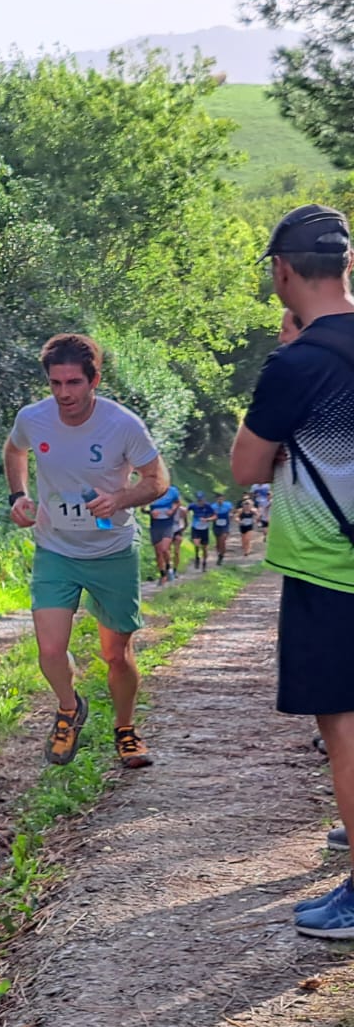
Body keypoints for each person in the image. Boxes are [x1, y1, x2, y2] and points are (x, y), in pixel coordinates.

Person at [230, 204, 354, 938]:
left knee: (342, 722)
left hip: (330, 568)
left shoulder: (298, 363)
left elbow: (247, 464)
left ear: (282, 272)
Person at [4, 333, 170, 770]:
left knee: (116, 653)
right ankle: (68, 708)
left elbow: (157, 481)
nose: (64, 394)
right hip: (55, 548)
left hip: (111, 550)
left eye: (73, 383)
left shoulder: (123, 425)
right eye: (56, 384)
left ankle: (126, 729)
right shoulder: (33, 418)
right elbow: (14, 449)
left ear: (94, 379)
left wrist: (120, 500)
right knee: (50, 648)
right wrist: (18, 496)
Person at [146, 483, 181, 586]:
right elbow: (143, 508)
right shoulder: (150, 490)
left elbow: (177, 503)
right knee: (158, 552)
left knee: (164, 549)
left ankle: (169, 568)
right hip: (155, 525)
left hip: (167, 524)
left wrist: (172, 510)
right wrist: (150, 512)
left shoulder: (173, 491)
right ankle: (162, 575)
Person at [187, 492, 214, 571]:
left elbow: (215, 516)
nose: (200, 502)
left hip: (204, 529)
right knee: (196, 544)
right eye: (198, 500)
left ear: (204, 500)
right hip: (195, 528)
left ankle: (204, 563)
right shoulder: (193, 506)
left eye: (201, 500)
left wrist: (207, 519)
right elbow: (186, 510)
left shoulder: (208, 506)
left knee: (205, 548)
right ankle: (197, 557)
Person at [212, 493, 235, 564]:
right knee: (218, 542)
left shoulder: (228, 505)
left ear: (224, 499)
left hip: (225, 525)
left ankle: (221, 556)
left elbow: (232, 510)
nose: (220, 501)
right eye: (219, 499)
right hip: (216, 526)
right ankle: (219, 553)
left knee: (223, 539)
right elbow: (210, 514)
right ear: (216, 499)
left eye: (221, 499)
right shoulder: (213, 506)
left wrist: (231, 514)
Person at [238, 494, 259, 558]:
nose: (247, 506)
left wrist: (255, 520)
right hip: (242, 526)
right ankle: (246, 549)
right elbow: (236, 517)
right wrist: (239, 521)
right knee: (244, 540)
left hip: (249, 526)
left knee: (248, 539)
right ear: (243, 505)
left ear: (251, 506)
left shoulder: (253, 511)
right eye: (245, 505)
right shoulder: (240, 511)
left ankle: (247, 552)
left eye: (248, 505)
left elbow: (258, 515)